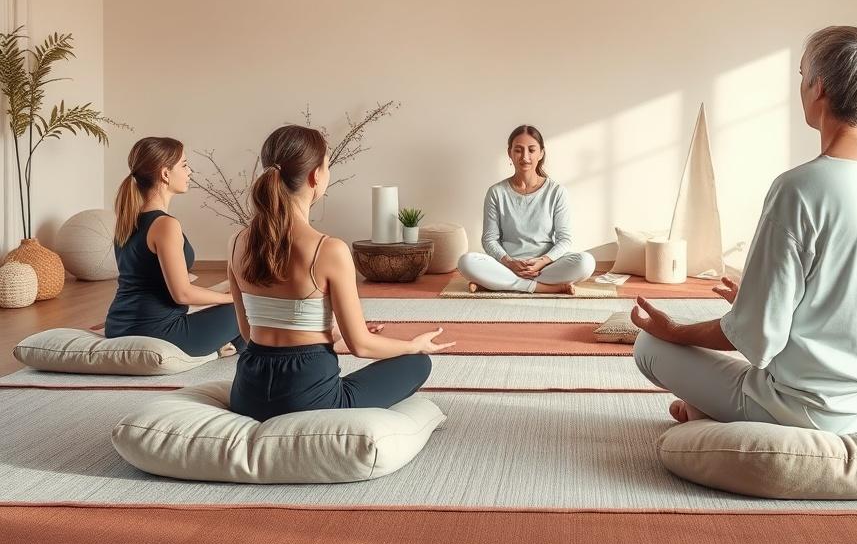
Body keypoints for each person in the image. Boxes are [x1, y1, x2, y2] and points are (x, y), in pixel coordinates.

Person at [632, 26, 857, 435]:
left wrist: (673, 330)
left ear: (817, 86)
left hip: (806, 411)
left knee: (649, 347)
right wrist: (756, 295)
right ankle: (710, 413)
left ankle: (715, 417)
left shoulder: (800, 188)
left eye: (801, 74)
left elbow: (757, 340)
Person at [228, 125, 452, 422]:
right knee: (416, 363)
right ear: (315, 176)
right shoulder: (328, 249)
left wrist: (332, 334)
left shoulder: (236, 242)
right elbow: (362, 345)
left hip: (247, 395)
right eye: (327, 165)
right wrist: (413, 345)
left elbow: (248, 333)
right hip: (309, 402)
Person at [106, 137, 243, 357]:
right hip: (156, 332)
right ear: (165, 173)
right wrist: (235, 299)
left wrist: (225, 289)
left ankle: (225, 345)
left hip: (118, 326)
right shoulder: (165, 225)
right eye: (185, 165)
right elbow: (182, 294)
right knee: (247, 310)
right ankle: (225, 348)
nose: (190, 172)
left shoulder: (127, 221)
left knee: (230, 311)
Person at [458, 124, 596, 295]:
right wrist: (510, 263)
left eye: (531, 150)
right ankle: (546, 288)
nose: (525, 156)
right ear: (510, 153)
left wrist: (542, 261)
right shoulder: (496, 192)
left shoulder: (557, 192)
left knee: (586, 262)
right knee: (466, 261)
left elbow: (565, 239)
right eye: (518, 150)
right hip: (507, 265)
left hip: (545, 267)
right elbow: (489, 239)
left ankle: (495, 283)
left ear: (541, 153)